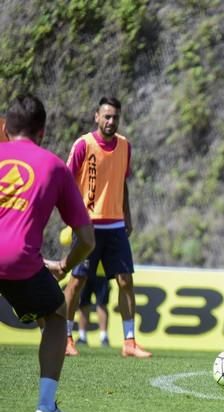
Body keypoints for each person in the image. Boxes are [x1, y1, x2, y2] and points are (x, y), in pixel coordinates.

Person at [0, 94, 95, 412]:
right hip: (18, 261)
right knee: (56, 315)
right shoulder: (53, 166)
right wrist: (65, 267)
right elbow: (86, 238)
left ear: (4, 127)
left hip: (20, 259)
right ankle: (46, 406)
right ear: (42, 132)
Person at [63, 96, 150, 358]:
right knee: (77, 282)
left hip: (115, 226)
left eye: (115, 117)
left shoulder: (125, 146)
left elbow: (122, 183)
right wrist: (73, 219)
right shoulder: (83, 145)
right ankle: (66, 338)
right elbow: (65, 183)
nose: (111, 121)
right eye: (107, 116)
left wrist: (128, 216)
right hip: (87, 226)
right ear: (97, 117)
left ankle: (129, 342)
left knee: (126, 282)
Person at [59, 226, 111, 347]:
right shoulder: (82, 224)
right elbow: (63, 238)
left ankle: (104, 336)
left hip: (100, 271)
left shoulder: (100, 225)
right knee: (83, 304)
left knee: (101, 304)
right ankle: (82, 336)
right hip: (85, 270)